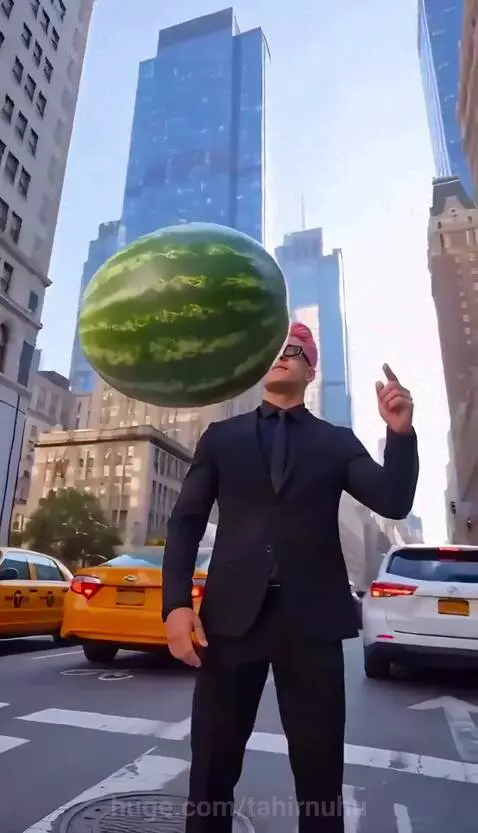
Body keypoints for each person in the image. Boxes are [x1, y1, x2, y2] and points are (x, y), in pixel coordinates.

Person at [162, 322, 418, 833]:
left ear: (310, 370)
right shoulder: (221, 437)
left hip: (312, 625)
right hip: (231, 623)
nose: (283, 355)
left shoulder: (336, 443)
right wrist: (175, 606)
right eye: (276, 349)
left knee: (319, 776)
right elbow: (187, 520)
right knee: (211, 770)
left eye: (295, 350)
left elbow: (393, 499)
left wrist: (400, 433)